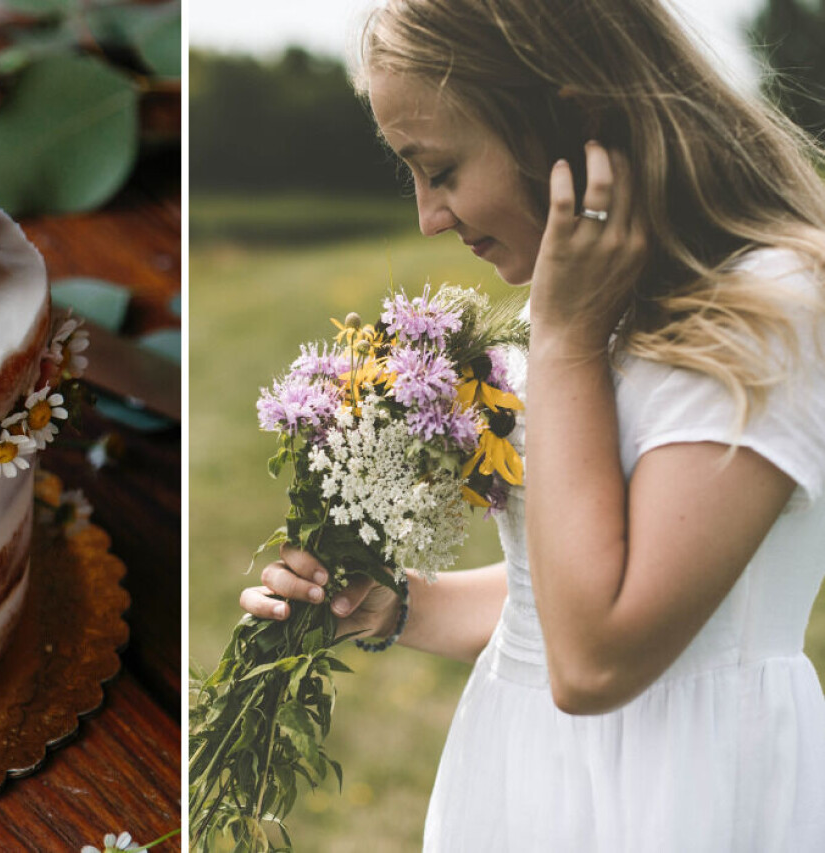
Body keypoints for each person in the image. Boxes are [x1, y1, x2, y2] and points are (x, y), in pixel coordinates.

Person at [237, 0, 825, 849]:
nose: (428, 217)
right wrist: (396, 605)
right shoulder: (599, 303)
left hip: (683, 794)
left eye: (438, 169)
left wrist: (564, 340)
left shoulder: (766, 311)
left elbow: (596, 658)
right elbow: (551, 598)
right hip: (526, 779)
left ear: (568, 117)